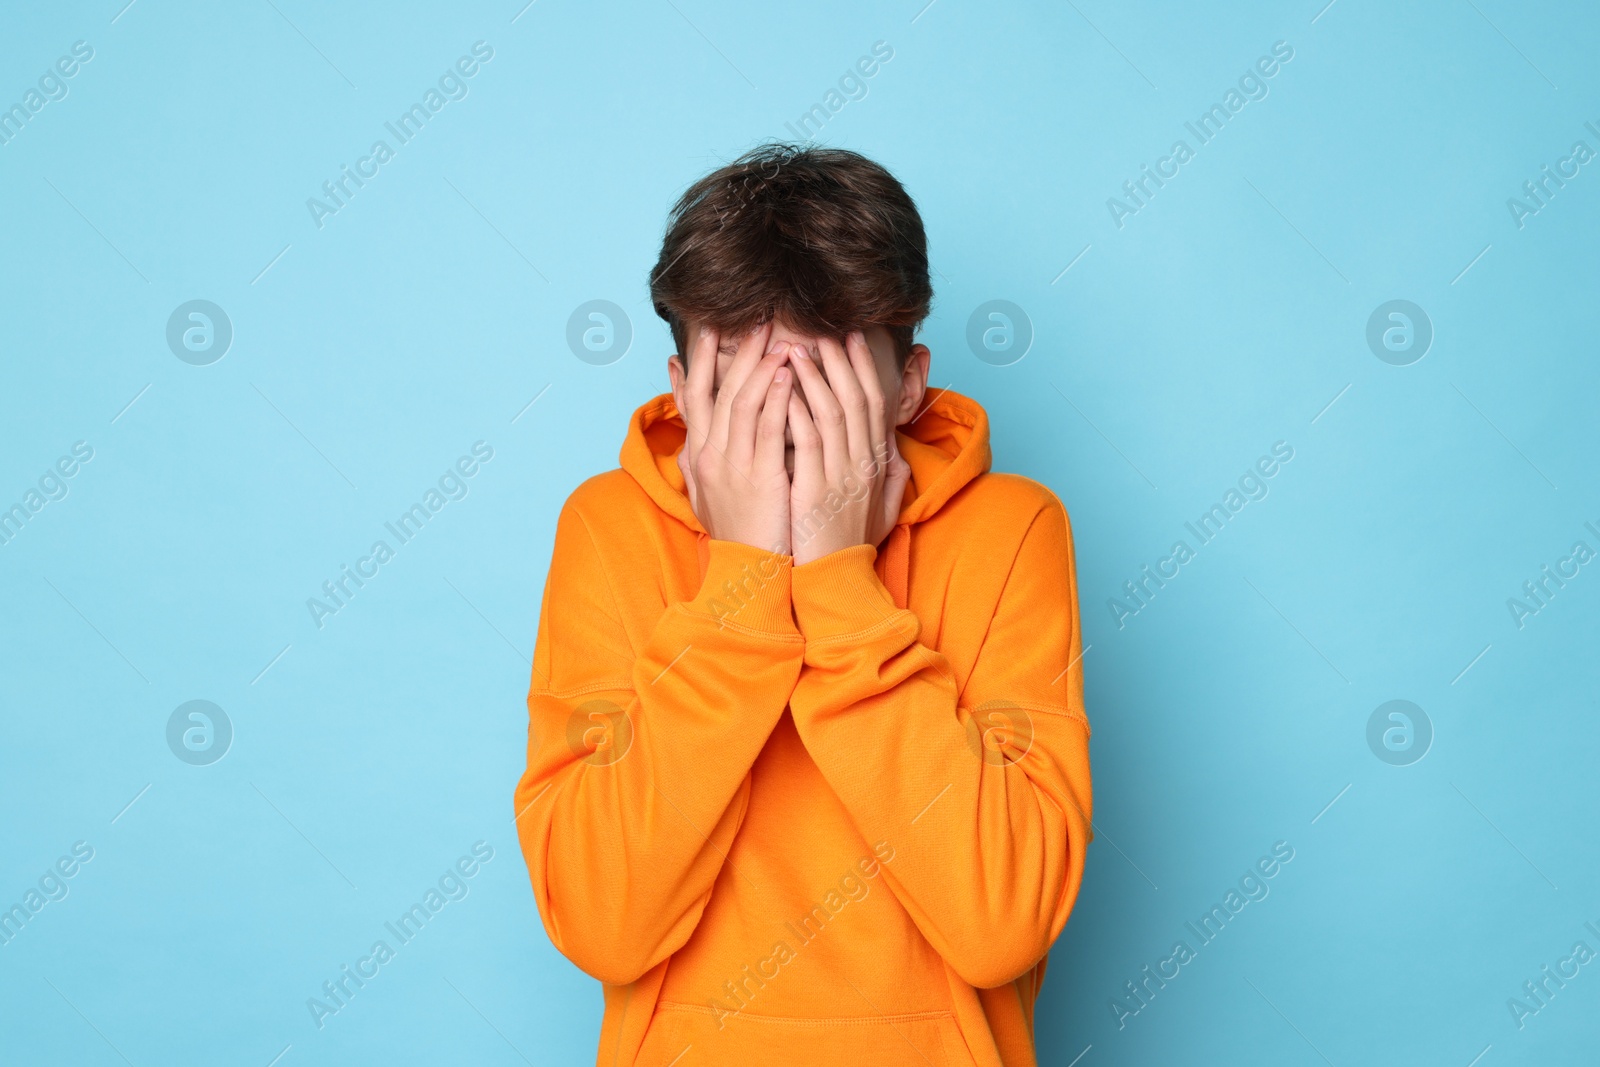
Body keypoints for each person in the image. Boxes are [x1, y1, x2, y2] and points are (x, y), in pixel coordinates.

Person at [513, 143, 1092, 1066]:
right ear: (682, 394)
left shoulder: (1011, 529)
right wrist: (743, 578)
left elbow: (1001, 923)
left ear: (907, 384)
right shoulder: (608, 528)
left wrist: (837, 575)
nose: (780, 413)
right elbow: (601, 922)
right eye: (739, 376)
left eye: (822, 375)